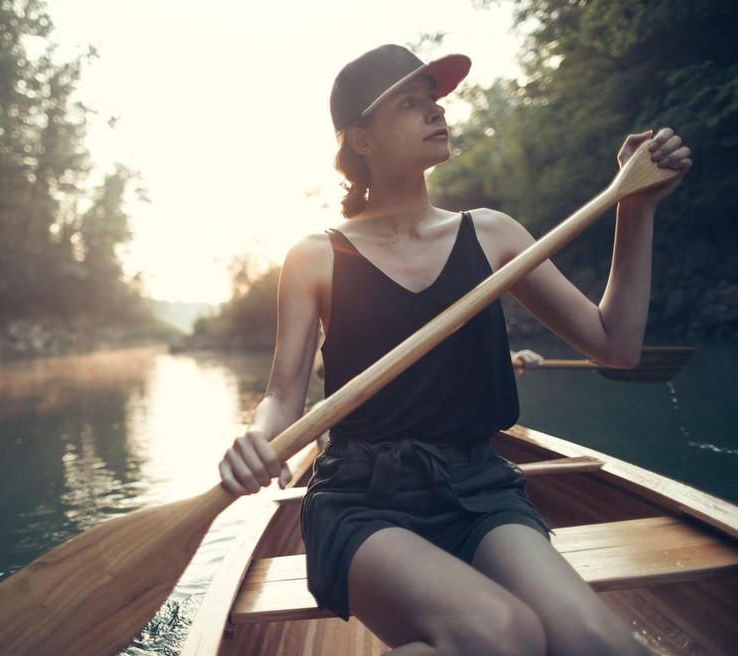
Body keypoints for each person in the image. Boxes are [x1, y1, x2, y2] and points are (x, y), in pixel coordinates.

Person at [218, 43, 691, 656]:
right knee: (505, 634)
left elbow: (615, 345)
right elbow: (283, 397)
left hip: (479, 487)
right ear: (361, 139)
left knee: (597, 642)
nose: (437, 113)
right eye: (411, 104)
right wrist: (257, 438)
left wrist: (635, 205)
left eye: (435, 101)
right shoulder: (316, 255)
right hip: (362, 498)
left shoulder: (492, 233)